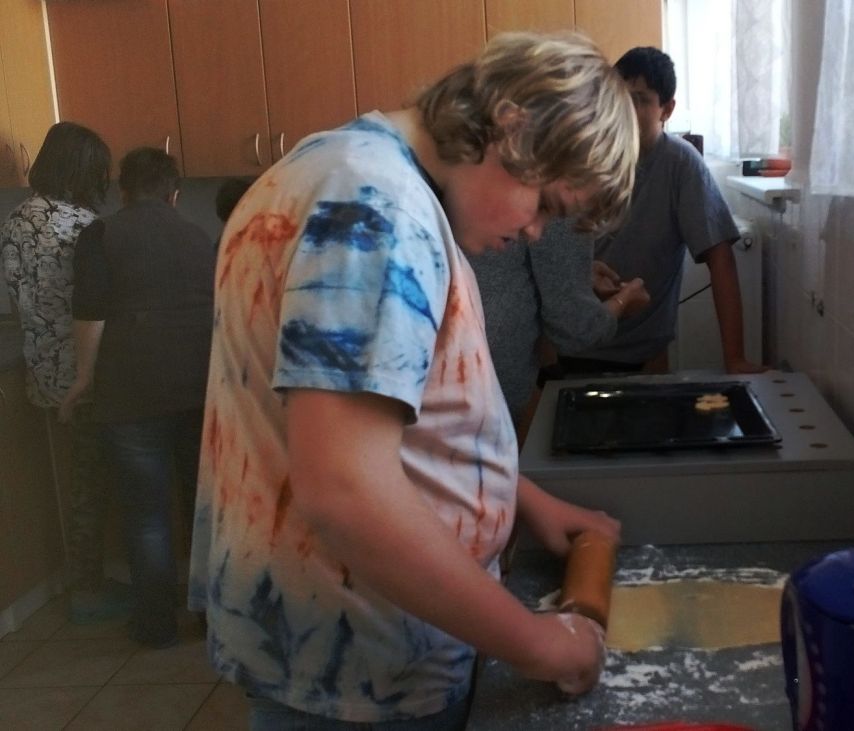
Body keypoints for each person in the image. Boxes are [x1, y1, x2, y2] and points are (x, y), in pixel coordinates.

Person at [187, 32, 635, 728]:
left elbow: (375, 431)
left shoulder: (344, 167)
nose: (536, 231)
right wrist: (541, 643)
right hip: (364, 668)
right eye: (545, 204)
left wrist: (521, 499)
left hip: (354, 649)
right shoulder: (378, 212)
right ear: (511, 127)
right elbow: (346, 491)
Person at [65, 146, 215, 648]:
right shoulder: (201, 237)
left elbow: (91, 314)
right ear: (174, 195)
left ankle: (155, 626)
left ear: (122, 190)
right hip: (199, 388)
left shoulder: (101, 235)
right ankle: (212, 620)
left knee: (147, 514)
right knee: (202, 510)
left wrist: (84, 378)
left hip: (130, 393)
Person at [558, 46, 764, 376]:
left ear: (667, 109)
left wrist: (735, 359)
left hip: (644, 351)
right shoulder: (580, 156)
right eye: (618, 98)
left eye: (639, 100)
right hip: (571, 344)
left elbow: (721, 258)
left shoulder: (680, 163)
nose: (625, 111)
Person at [0, 121, 131, 625]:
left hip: (44, 369)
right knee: (92, 484)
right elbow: (97, 304)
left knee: (80, 479)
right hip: (86, 370)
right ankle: (89, 590)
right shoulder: (81, 226)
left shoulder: (16, 220)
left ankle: (87, 583)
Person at [468, 217, 648, 436]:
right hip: (488, 388)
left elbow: (500, 262)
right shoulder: (568, 199)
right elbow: (577, 329)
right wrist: (623, 302)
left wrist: (575, 272)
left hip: (455, 368)